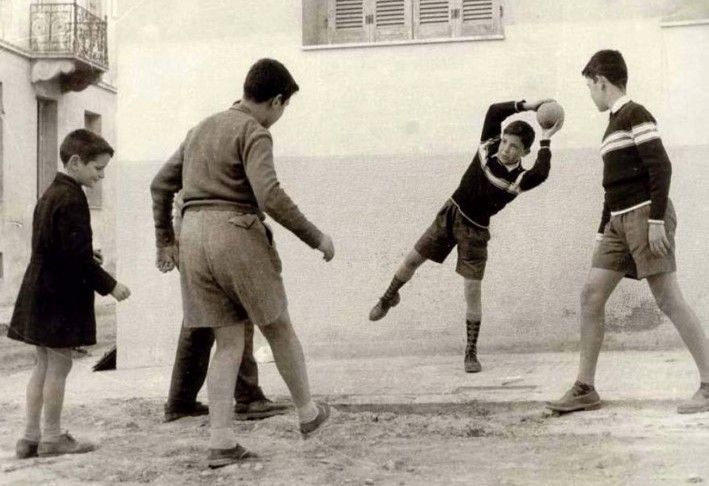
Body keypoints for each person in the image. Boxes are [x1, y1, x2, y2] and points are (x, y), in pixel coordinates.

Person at [151, 58, 334, 468]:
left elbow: (160, 184)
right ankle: (308, 414)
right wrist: (316, 237)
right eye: (284, 107)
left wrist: (165, 241)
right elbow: (269, 195)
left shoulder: (200, 129)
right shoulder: (255, 131)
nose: (281, 115)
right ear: (276, 101)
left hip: (192, 238)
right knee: (278, 327)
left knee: (228, 342)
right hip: (234, 232)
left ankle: (221, 442)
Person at [546, 49, 709, 414]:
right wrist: (601, 233)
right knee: (591, 295)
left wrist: (655, 221)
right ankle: (585, 388)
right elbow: (612, 187)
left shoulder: (636, 114)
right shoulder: (611, 125)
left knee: (668, 299)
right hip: (617, 223)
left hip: (645, 216)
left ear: (601, 82)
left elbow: (661, 167)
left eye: (590, 86)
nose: (590, 94)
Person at [369, 98, 562, 373]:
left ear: (525, 152)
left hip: (475, 232)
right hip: (451, 213)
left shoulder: (520, 179)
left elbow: (542, 173)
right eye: (505, 141)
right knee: (412, 260)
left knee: (472, 292)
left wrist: (546, 138)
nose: (505, 149)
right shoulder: (488, 146)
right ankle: (388, 297)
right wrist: (529, 105)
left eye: (514, 147)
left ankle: (471, 350)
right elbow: (494, 111)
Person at [8, 129, 131, 459]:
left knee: (42, 365)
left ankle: (29, 437)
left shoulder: (51, 193)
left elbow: (57, 247)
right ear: (76, 162)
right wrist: (111, 285)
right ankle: (52, 437)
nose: (101, 176)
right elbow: (75, 258)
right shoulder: (73, 198)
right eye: (98, 168)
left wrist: (87, 255)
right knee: (59, 368)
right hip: (60, 296)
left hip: (40, 290)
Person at [164, 193, 291, 423]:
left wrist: (166, 240)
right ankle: (247, 397)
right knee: (236, 312)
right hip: (216, 231)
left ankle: (181, 401)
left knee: (202, 318)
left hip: (194, 232)